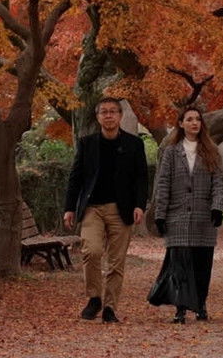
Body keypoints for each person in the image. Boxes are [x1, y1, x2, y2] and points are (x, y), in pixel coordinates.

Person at [63, 97, 148, 323]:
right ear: (98, 116)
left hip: (122, 209)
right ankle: (94, 298)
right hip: (92, 208)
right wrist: (69, 207)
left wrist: (140, 204)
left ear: (120, 116)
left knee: (116, 261)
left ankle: (110, 307)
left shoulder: (134, 144)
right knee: (91, 251)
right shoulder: (87, 143)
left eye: (113, 112)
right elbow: (76, 177)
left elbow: (141, 178)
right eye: (104, 112)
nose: (108, 115)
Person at [147, 105, 223, 323]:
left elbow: (218, 183)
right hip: (177, 216)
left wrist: (217, 207)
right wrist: (160, 215)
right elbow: (163, 184)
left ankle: (200, 305)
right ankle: (180, 308)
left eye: (197, 119)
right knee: (179, 264)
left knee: (202, 264)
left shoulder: (211, 151)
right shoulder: (171, 152)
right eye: (189, 119)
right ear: (181, 124)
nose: (194, 123)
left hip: (204, 217)